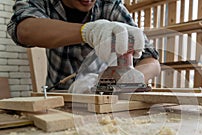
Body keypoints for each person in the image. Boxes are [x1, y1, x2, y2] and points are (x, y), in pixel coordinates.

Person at [7, 0, 160, 91]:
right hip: (60, 96)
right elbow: (23, 30)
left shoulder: (109, 4)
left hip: (100, 96)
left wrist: (129, 80)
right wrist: (87, 32)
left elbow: (151, 61)